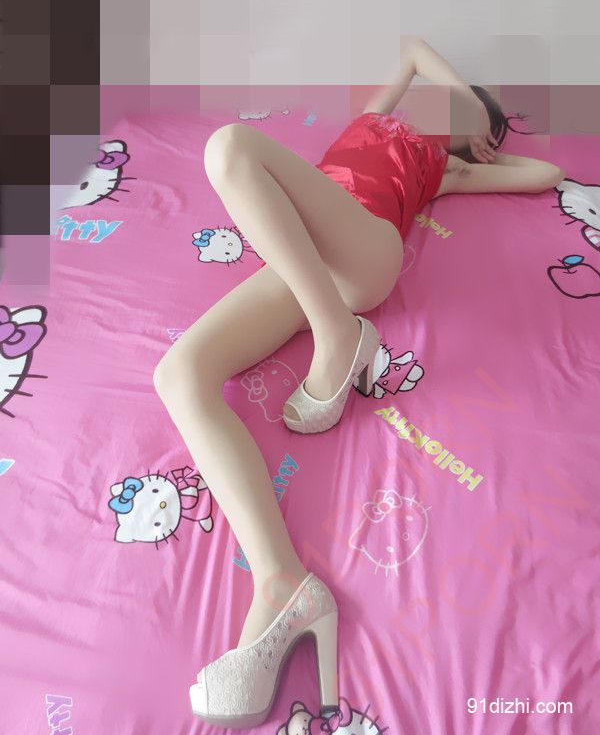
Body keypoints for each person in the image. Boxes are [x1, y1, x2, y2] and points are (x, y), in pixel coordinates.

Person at [152, 37, 565, 727]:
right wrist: (459, 97)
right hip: (301, 262)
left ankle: (338, 335)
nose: (442, 106)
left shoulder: (446, 165)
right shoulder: (375, 118)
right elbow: (413, 50)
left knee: (230, 147)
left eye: (463, 112)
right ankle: (281, 581)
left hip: (363, 251)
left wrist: (483, 141)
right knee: (180, 374)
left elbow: (548, 172)